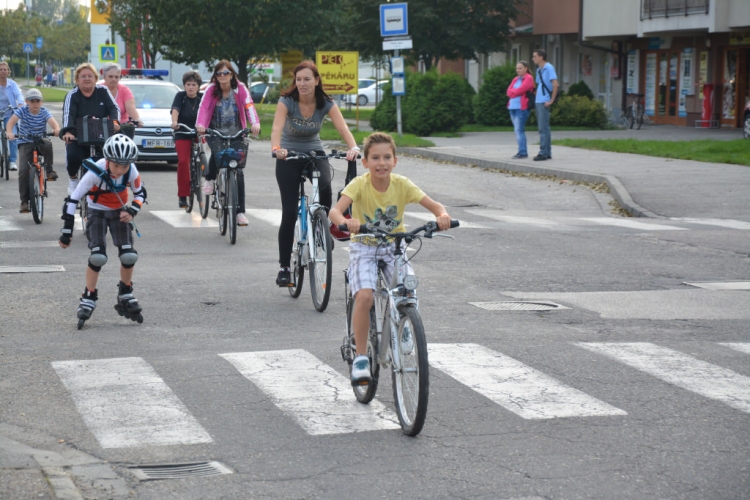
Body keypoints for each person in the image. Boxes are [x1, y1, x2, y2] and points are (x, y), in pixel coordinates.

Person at [329, 132, 452, 383]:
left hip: (394, 246)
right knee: (364, 295)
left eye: (387, 157)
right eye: (375, 158)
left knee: (408, 290)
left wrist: (442, 215)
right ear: (365, 162)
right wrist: (346, 222)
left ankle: (406, 326)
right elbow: (335, 211)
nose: (381, 163)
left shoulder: (402, 184)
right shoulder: (359, 185)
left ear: (395, 161)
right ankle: (362, 356)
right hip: (364, 245)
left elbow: (435, 205)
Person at [271, 60, 359, 286]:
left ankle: (323, 227)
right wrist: (276, 149)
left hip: (314, 152)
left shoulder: (325, 102)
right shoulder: (287, 101)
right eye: (298, 79)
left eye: (307, 79)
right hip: (288, 156)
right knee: (289, 212)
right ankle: (284, 267)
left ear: (317, 81)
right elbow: (277, 128)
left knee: (326, 185)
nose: (302, 83)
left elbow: (342, 128)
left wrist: (353, 147)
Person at [58, 135, 146, 327]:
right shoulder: (95, 171)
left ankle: (126, 292)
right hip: (96, 212)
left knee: (129, 255)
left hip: (119, 212)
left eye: (124, 166)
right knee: (98, 256)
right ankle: (88, 295)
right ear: (107, 161)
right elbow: (73, 199)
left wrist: (132, 210)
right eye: (116, 166)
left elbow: (140, 193)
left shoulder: (130, 170)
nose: (120, 170)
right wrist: (67, 231)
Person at [195, 60, 260, 226]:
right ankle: (209, 178)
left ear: (232, 74)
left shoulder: (240, 89)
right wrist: (201, 125)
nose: (223, 76)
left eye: (226, 73)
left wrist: (255, 124)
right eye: (219, 73)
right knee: (218, 153)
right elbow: (203, 108)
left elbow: (249, 106)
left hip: (237, 132)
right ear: (215, 76)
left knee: (238, 172)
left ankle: (240, 213)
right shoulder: (211, 90)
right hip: (215, 131)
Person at [60, 63, 121, 196]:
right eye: (83, 76)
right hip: (78, 135)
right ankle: (73, 180)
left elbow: (114, 108)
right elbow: (68, 114)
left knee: (109, 159)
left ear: (95, 78)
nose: (87, 79)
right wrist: (68, 131)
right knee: (73, 156)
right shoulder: (73, 95)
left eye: (90, 76)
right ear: (77, 80)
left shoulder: (103, 91)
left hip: (100, 133)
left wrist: (115, 122)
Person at [6, 88, 60, 212]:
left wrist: (56, 129)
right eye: (32, 101)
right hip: (25, 141)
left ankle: (50, 171)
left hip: (40, 140)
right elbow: (11, 122)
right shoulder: (22, 111)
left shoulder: (44, 112)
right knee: (24, 170)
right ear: (26, 102)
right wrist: (9, 132)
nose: (35, 104)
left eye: (37, 101)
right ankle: (24, 201)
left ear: (41, 102)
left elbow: (53, 123)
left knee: (47, 144)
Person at [170, 70, 204, 209]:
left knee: (208, 155)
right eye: (188, 84)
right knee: (183, 162)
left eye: (194, 84)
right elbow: (175, 109)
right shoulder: (180, 96)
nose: (191, 87)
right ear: (184, 85)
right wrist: (174, 122)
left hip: (199, 132)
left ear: (198, 86)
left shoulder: (202, 97)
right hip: (182, 131)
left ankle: (207, 179)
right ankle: (183, 196)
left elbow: (208, 112)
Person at [101, 62, 142, 138]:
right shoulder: (98, 89)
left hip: (122, 129)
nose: (113, 79)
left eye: (116, 77)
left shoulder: (125, 90)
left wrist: (137, 120)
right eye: (110, 76)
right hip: (102, 128)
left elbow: (130, 108)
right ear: (104, 77)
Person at [532, 49, 559, 161]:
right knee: (544, 128)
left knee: (543, 128)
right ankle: (547, 152)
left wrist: (551, 100)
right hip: (539, 100)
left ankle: (543, 152)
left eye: (535, 56)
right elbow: (540, 85)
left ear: (541, 57)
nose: (533, 59)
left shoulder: (549, 68)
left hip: (544, 101)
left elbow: (555, 84)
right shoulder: (539, 70)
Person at [506, 60, 535, 159]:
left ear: (526, 68)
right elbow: (508, 91)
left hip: (522, 107)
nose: (518, 70)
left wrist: (513, 92)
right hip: (512, 106)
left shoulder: (529, 78)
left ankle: (522, 152)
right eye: (517, 68)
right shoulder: (515, 79)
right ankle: (521, 151)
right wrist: (513, 92)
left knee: (519, 130)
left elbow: (521, 90)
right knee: (517, 130)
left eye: (520, 68)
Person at [0, 61, 24, 171]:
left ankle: (13, 161)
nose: (3, 71)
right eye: (1, 69)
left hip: (10, 113)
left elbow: (19, 94)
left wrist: (20, 103)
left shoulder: (12, 84)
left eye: (5, 69)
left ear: (8, 71)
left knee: (12, 135)